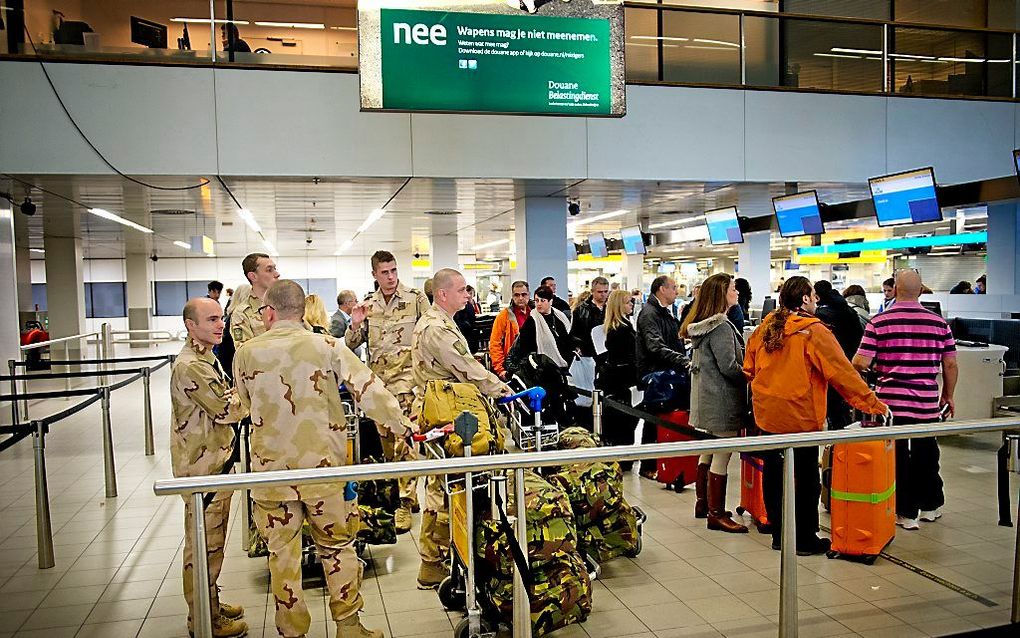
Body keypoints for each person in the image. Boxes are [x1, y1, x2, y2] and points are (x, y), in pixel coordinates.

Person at [234, 280, 415, 638]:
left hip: (271, 475)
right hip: (323, 470)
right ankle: (349, 626)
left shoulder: (246, 352)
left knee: (282, 556)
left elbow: (243, 402)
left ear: (269, 311)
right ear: (302, 312)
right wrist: (402, 425)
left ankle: (292, 631)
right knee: (337, 548)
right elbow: (369, 390)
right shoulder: (327, 345)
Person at [744, 277, 888, 555]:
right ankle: (804, 538)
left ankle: (779, 533)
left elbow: (749, 368)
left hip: (768, 414)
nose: (817, 300)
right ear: (806, 300)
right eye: (813, 295)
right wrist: (873, 404)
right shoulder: (813, 331)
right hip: (800, 416)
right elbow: (842, 372)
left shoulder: (765, 328)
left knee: (775, 473)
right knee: (806, 477)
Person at [411, 268, 512, 588]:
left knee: (445, 487)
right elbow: (466, 369)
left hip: (446, 408)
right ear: (443, 294)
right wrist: (501, 389)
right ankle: (432, 561)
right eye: (462, 290)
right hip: (444, 413)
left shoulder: (440, 321)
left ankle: (441, 558)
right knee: (445, 489)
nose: (468, 295)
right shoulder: (437, 328)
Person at [853, 269, 958, 530]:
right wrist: (948, 395)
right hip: (925, 400)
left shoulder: (879, 321)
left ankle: (905, 512)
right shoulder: (939, 324)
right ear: (921, 291)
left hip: (892, 402)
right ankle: (931, 506)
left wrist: (875, 373)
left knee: (897, 455)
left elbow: (860, 362)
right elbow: (951, 364)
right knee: (927, 451)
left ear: (895, 289)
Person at [171, 297, 248, 638]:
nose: (221, 325)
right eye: (212, 319)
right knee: (204, 547)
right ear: (191, 325)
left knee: (211, 544)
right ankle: (204, 619)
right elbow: (225, 408)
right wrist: (250, 394)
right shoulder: (192, 366)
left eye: (222, 318)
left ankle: (209, 602)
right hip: (204, 471)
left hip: (215, 461)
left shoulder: (206, 356)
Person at [345, 251, 429, 534]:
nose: (391, 277)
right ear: (374, 275)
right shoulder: (368, 305)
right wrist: (355, 323)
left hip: (408, 383)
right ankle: (402, 490)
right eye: (385, 272)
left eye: (394, 270)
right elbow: (352, 344)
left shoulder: (415, 299)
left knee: (404, 442)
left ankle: (404, 503)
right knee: (388, 447)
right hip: (379, 387)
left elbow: (429, 334)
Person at [680, 273, 747, 534]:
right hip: (722, 399)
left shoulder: (700, 324)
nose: (737, 292)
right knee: (722, 453)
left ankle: (703, 502)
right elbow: (729, 367)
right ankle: (716, 513)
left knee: (707, 449)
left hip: (704, 397)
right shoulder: (720, 326)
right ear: (722, 293)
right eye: (732, 288)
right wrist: (751, 374)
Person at [635, 275, 690, 480]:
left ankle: (658, 462)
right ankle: (648, 464)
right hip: (656, 373)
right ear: (661, 289)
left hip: (667, 372)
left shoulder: (665, 312)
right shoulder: (650, 313)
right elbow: (654, 346)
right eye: (673, 287)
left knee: (660, 417)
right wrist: (682, 360)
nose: (677, 291)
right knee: (652, 418)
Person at [814, 280, 866, 430]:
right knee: (841, 408)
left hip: (832, 366)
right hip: (848, 362)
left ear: (816, 297)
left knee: (833, 408)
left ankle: (837, 446)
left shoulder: (823, 315)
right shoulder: (846, 308)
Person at [599, 290, 639, 469]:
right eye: (628, 302)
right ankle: (623, 457)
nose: (631, 305)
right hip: (621, 381)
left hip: (617, 380)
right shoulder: (620, 329)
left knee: (622, 418)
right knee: (623, 419)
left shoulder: (618, 326)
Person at [504, 285, 574, 376]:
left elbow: (567, 339)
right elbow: (525, 350)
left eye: (542, 300)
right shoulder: (531, 322)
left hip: (564, 368)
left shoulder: (560, 317)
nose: (539, 304)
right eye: (537, 300)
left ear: (551, 301)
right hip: (542, 371)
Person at [229, 253, 280, 347]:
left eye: (275, 269)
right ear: (253, 276)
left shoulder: (285, 304)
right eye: (269, 270)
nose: (277, 274)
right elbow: (244, 352)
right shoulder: (241, 313)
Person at [489, 280, 530, 380]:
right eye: (516, 295)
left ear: (528, 295)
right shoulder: (504, 316)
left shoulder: (535, 313)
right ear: (512, 296)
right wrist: (500, 369)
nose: (520, 298)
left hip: (533, 364)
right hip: (513, 366)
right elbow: (495, 343)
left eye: (523, 294)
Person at [454, 285, 480, 353]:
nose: (470, 295)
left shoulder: (466, 305)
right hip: (467, 337)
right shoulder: (466, 304)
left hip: (466, 337)